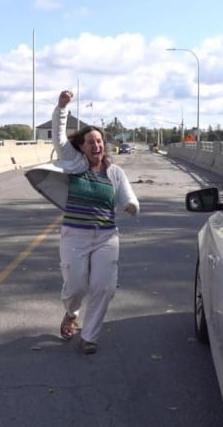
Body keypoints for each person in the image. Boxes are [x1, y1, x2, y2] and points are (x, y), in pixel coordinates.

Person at [24, 90, 140, 355]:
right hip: (75, 235)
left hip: (106, 237)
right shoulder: (74, 163)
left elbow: (127, 195)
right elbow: (58, 137)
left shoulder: (115, 173)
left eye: (99, 141)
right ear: (82, 147)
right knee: (76, 285)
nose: (96, 145)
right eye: (90, 142)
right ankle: (71, 311)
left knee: (104, 287)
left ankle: (90, 336)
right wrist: (62, 107)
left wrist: (132, 205)